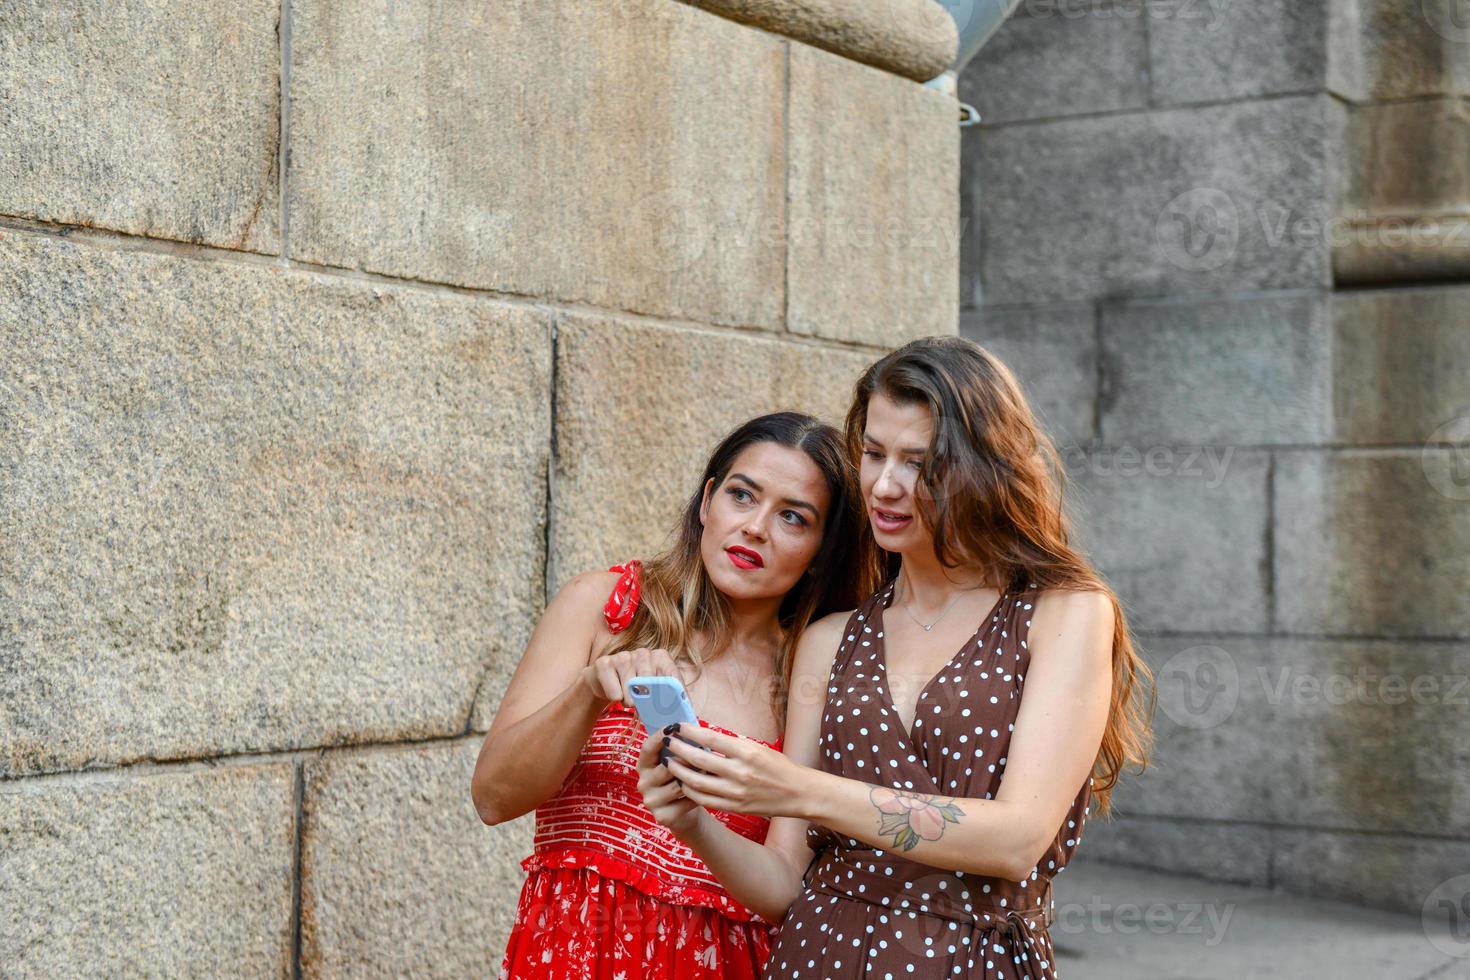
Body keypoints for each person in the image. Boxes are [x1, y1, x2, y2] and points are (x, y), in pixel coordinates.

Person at [636, 336, 1154, 979]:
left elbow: (1018, 839)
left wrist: (799, 790)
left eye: (919, 462)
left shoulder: (1063, 613)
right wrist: (693, 824)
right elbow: (783, 885)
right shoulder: (830, 640)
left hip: (974, 962)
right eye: (874, 453)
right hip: (816, 955)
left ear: (985, 467)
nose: (885, 485)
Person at [473, 411, 876, 979]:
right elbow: (494, 798)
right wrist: (588, 693)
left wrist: (694, 823)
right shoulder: (607, 606)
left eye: (792, 517)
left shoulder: (810, 674)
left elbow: (785, 889)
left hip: (722, 963)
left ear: (820, 552)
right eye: (742, 495)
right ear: (707, 502)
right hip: (570, 951)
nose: (755, 527)